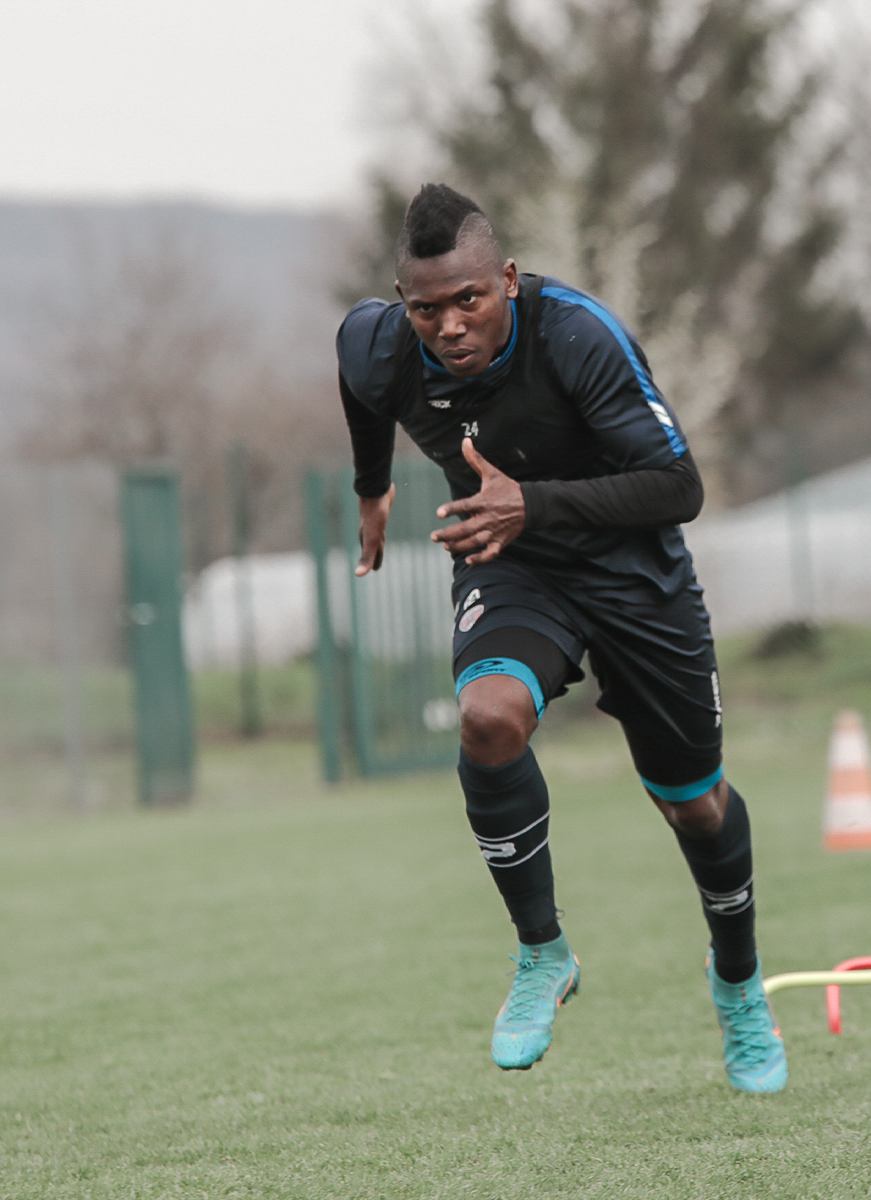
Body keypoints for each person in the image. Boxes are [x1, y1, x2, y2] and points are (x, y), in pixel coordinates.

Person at [335, 183, 786, 1090]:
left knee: (692, 802)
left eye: (470, 299)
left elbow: (678, 489)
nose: (451, 325)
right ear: (402, 305)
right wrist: (371, 489)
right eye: (427, 309)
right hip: (515, 566)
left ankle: (737, 982)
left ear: (505, 278)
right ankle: (543, 953)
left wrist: (531, 503)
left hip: (634, 576)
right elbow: (361, 389)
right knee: (488, 720)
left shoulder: (578, 335)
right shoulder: (376, 340)